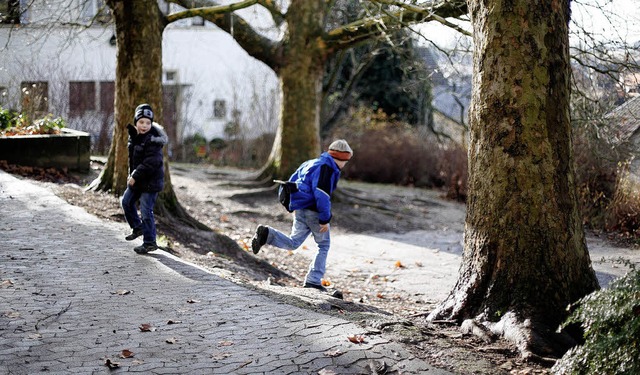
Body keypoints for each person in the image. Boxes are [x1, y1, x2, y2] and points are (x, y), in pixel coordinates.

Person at [251, 139, 353, 294]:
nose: (345, 164)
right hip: (314, 212)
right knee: (323, 245)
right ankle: (313, 280)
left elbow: (291, 181)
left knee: (293, 242)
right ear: (341, 158)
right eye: (345, 161)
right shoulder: (327, 169)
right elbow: (322, 195)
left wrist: (290, 204)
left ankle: (267, 234)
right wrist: (325, 219)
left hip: (301, 209)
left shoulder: (311, 163)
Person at [121, 103, 168, 254]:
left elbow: (151, 163)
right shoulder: (134, 137)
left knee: (146, 211)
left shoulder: (153, 140)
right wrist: (131, 173)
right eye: (141, 122)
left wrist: (135, 175)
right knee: (126, 201)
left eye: (148, 122)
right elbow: (132, 160)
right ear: (136, 122)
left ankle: (149, 242)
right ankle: (138, 227)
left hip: (151, 182)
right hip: (138, 179)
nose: (144, 125)